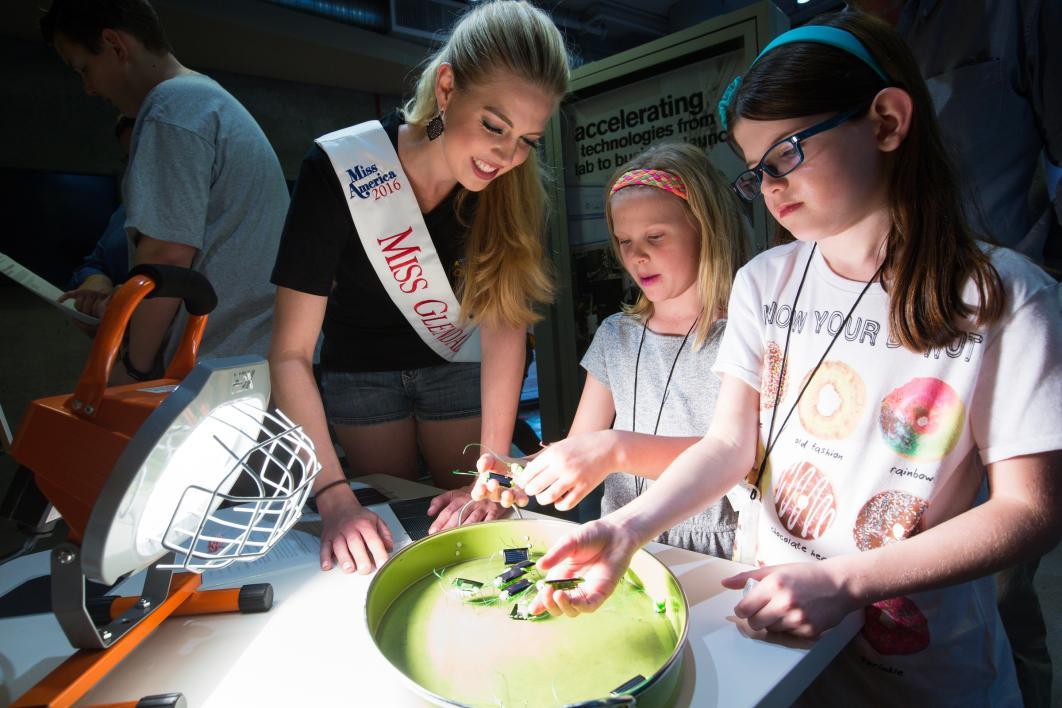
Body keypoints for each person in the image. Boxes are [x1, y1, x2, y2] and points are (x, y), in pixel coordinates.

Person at [526, 14, 1062, 705]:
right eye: (756, 171)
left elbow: (1030, 510)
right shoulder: (765, 282)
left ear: (888, 122)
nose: (771, 185)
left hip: (924, 661)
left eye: (786, 152)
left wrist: (846, 582)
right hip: (772, 621)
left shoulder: (1008, 296)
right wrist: (625, 528)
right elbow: (729, 444)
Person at [269, 0, 569, 575]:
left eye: (528, 139)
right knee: (389, 529)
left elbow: (506, 328)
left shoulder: (513, 191)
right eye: (494, 125)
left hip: (459, 371)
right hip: (360, 377)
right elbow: (288, 353)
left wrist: (491, 466)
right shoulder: (338, 168)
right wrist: (333, 497)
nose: (506, 157)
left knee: (470, 533)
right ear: (449, 87)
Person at [474, 142, 748, 559]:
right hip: (619, 545)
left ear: (705, 228)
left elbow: (736, 455)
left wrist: (614, 448)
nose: (638, 256)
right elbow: (580, 444)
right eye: (624, 241)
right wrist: (517, 472)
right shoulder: (614, 335)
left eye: (656, 237)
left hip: (716, 549)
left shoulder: (747, 334)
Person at [41, 0, 289, 381]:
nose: (89, 88)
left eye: (84, 69)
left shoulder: (171, 107)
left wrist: (134, 368)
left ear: (115, 45)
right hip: (255, 357)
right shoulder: (207, 100)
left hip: (220, 364)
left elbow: (168, 256)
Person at [59, 114, 133, 318]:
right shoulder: (127, 210)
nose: (137, 168)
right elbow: (95, 261)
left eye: (146, 156)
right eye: (129, 158)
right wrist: (95, 278)